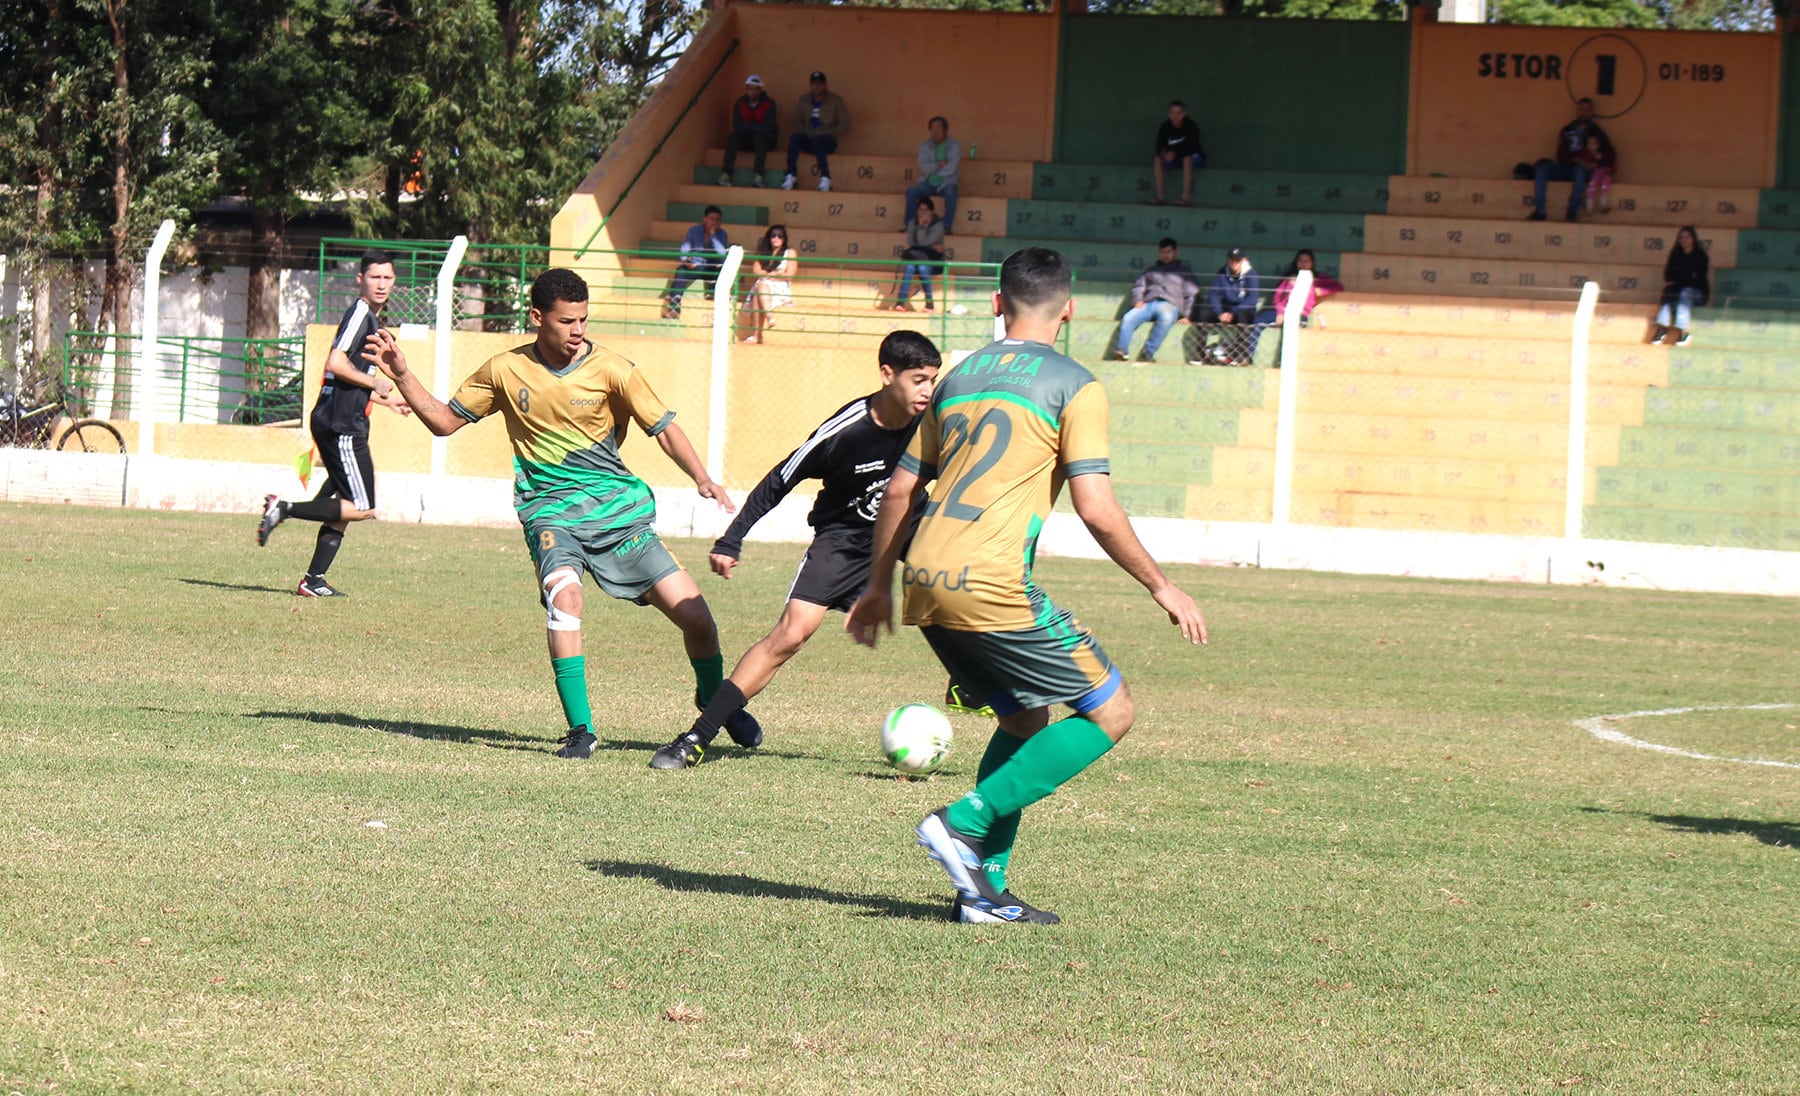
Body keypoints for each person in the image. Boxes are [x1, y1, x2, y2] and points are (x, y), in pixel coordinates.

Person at [847, 247, 1208, 925]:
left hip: (925, 578)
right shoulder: (1075, 383)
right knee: (1113, 710)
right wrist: (1163, 586)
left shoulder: (955, 379)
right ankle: (963, 822)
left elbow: (899, 489)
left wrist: (876, 588)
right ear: (1068, 311)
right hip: (990, 581)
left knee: (1022, 717)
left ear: (996, 305)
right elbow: (1096, 507)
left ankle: (982, 895)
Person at [364, 268, 760, 761]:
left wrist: (701, 476)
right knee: (565, 599)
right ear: (537, 318)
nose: (578, 331)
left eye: (584, 320)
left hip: (618, 515)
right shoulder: (504, 371)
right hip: (550, 515)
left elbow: (663, 427)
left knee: (697, 617)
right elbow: (444, 421)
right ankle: (581, 729)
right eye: (568, 321)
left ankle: (710, 697)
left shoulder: (614, 369)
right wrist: (402, 373)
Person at [650, 331, 943, 770]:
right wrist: (733, 538)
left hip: (909, 525)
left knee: (956, 578)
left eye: (933, 381)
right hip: (844, 539)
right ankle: (696, 737)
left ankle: (972, 683)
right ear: (887, 374)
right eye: (919, 379)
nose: (928, 391)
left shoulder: (933, 423)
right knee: (790, 634)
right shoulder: (846, 431)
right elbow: (779, 478)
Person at [256, 249, 413, 597]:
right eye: (375, 277)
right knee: (362, 507)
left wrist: (387, 402)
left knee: (345, 502)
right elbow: (336, 363)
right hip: (342, 425)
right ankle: (282, 508)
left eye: (388, 278)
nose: (382, 284)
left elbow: (347, 380)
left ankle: (314, 580)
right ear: (361, 279)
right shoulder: (360, 312)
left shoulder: (372, 318)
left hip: (339, 419)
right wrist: (376, 383)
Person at [1107, 237, 1197, 362]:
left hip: (1169, 304)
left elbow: (1191, 295)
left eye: (1168, 252)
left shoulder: (1184, 272)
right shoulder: (1150, 270)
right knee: (1129, 317)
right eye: (1162, 252)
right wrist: (1138, 300)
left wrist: (1186, 315)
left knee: (1166, 318)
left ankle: (1148, 352)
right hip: (1148, 303)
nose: (1165, 255)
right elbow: (1139, 287)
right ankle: (1122, 351)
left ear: (1175, 253)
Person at [1529, 97, 1611, 223]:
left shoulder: (1598, 132)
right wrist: (1577, 159)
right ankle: (1540, 211)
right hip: (1567, 167)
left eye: (1587, 110)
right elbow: (1560, 155)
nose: (1584, 112)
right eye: (1581, 109)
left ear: (1592, 112)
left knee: (1580, 170)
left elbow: (1611, 155)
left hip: (1585, 171)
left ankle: (1571, 212)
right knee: (1542, 168)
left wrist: (1595, 162)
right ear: (1577, 111)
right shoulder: (1567, 130)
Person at [1195, 246, 1277, 365]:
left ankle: (1241, 355)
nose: (1234, 262)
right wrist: (1220, 313)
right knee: (1203, 313)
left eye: (1237, 260)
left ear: (1243, 260)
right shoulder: (1222, 272)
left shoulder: (1250, 273)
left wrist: (1232, 313)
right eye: (1231, 259)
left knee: (1242, 315)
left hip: (1242, 310)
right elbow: (1213, 294)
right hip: (1225, 311)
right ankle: (1200, 355)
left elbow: (1252, 299)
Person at [783, 71, 850, 193]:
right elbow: (797, 122)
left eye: (820, 84)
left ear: (825, 85)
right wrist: (807, 131)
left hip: (827, 140)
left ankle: (825, 177)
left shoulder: (836, 100)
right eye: (813, 84)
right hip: (809, 137)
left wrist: (827, 131)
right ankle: (791, 175)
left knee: (818, 139)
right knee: (795, 138)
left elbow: (845, 124)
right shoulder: (803, 100)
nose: (817, 87)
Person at [662, 205, 728, 319]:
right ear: (704, 219)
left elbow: (722, 254)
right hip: (695, 265)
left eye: (717, 220)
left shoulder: (722, 234)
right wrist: (686, 261)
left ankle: (715, 310)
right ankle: (674, 308)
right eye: (712, 219)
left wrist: (713, 236)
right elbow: (685, 249)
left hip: (712, 267)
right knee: (681, 271)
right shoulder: (694, 231)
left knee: (719, 274)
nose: (714, 222)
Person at [1651, 225, 1709, 347]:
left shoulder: (1700, 256)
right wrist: (1683, 278)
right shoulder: (1676, 255)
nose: (1683, 240)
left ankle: (1683, 332)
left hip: (1697, 293)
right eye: (1681, 237)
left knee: (1685, 292)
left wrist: (1680, 279)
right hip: (1679, 290)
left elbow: (1697, 280)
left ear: (1693, 239)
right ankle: (1662, 328)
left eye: (1687, 237)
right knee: (1669, 292)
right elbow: (1667, 276)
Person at [739, 224, 796, 344]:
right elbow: (756, 270)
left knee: (759, 290)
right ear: (768, 237)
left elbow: (789, 274)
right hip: (764, 284)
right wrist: (775, 274)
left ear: (784, 238)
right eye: (773, 235)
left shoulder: (790, 252)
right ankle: (769, 318)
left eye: (780, 236)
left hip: (780, 286)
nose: (776, 238)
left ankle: (756, 335)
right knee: (760, 286)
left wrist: (770, 275)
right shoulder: (763, 252)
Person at [903, 116, 961, 232]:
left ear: (945, 130)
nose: (935, 131)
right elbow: (924, 168)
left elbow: (951, 168)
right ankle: (910, 224)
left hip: (946, 182)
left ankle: (946, 226)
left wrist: (933, 169)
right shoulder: (925, 146)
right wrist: (939, 164)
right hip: (928, 182)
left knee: (952, 192)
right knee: (911, 191)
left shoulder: (954, 145)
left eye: (938, 128)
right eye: (932, 128)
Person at [720, 74, 778, 186]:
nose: (754, 91)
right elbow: (737, 125)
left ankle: (759, 176)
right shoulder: (740, 103)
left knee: (760, 137)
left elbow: (767, 127)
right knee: (733, 137)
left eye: (757, 88)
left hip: (765, 141)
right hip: (746, 139)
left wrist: (747, 127)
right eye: (750, 88)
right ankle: (726, 174)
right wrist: (754, 128)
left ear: (761, 90)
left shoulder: (769, 103)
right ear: (746, 89)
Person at [1148, 100, 1205, 207]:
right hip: (1173, 159)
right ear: (1169, 114)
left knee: (1186, 157)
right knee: (1157, 158)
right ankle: (1160, 197)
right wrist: (1165, 155)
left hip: (1194, 158)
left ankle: (1185, 198)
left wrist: (1175, 153)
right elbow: (1158, 147)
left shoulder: (1191, 126)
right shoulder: (1165, 126)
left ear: (1184, 114)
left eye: (1178, 113)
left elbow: (1192, 147)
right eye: (1172, 113)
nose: (1175, 116)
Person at [1273, 249, 1345, 329]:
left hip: (1304, 314)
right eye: (1300, 260)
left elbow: (1339, 286)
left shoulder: (1317, 277)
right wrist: (1280, 312)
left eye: (1306, 261)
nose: (1303, 263)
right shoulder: (1288, 277)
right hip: (1284, 313)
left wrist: (1321, 290)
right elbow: (1277, 297)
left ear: (1312, 263)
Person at [894, 198, 945, 312]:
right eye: (920, 210)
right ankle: (900, 302)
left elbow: (924, 242)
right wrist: (930, 245)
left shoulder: (937, 225)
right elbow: (911, 242)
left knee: (922, 267)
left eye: (926, 210)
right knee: (910, 266)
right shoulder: (913, 223)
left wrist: (922, 226)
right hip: (918, 258)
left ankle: (929, 304)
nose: (923, 213)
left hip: (934, 261)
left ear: (931, 212)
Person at [1577, 133, 1616, 215]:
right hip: (1594, 175)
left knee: (1605, 185)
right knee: (1592, 187)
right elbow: (1583, 162)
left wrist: (1599, 159)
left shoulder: (1604, 154)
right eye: (1589, 143)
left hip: (1604, 174)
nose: (1591, 145)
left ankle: (1603, 205)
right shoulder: (1585, 153)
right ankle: (1589, 208)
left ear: (1599, 144)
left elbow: (1608, 164)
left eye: (1593, 143)